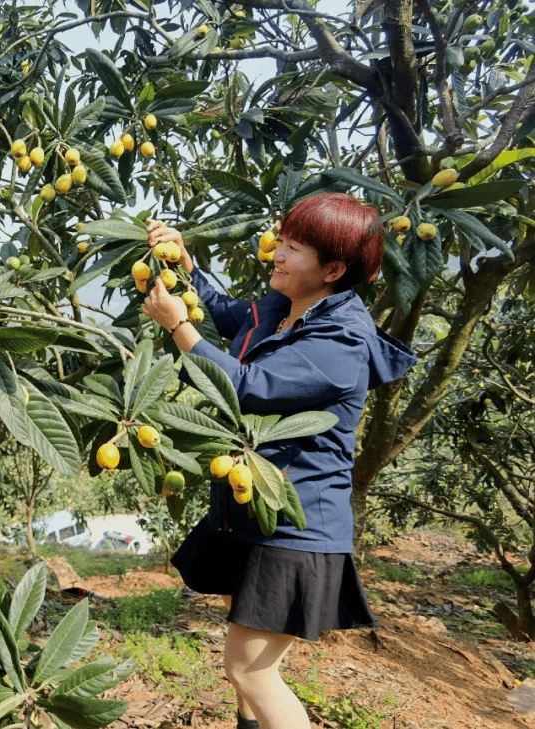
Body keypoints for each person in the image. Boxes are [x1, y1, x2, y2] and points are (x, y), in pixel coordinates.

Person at [141, 193, 417, 729]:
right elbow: (225, 316)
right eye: (282, 242)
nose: (277, 255)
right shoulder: (291, 307)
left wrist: (178, 327)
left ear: (333, 269)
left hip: (295, 527)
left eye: (293, 248)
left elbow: (247, 386)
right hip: (251, 513)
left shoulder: (342, 340)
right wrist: (186, 265)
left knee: (251, 674)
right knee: (247, 678)